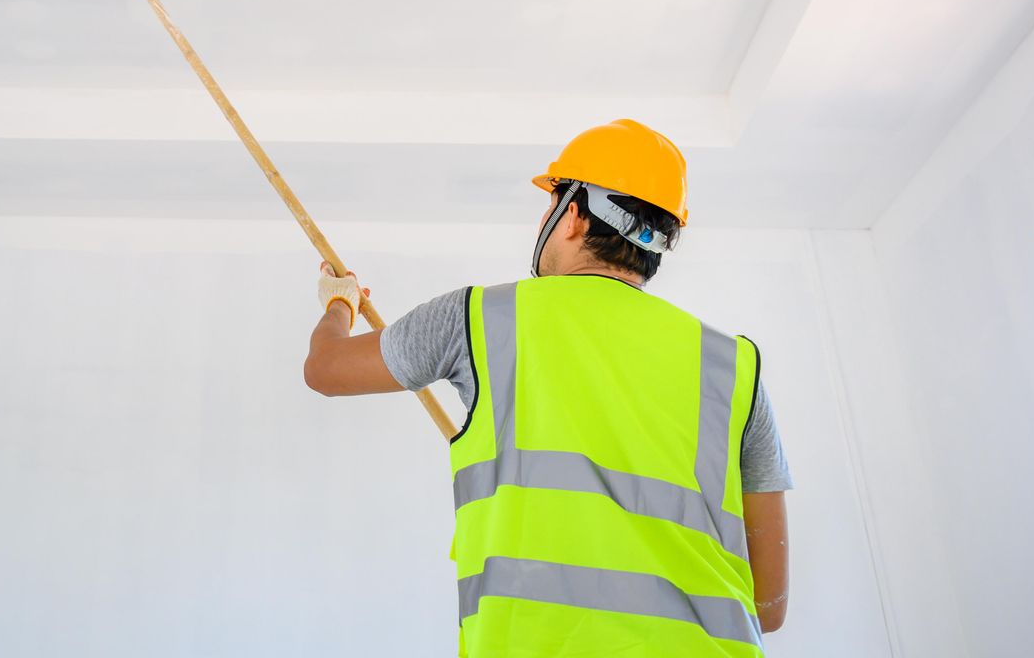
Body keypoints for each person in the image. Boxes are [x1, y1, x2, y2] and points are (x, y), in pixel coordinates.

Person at [302, 119, 790, 656]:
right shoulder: (732, 365)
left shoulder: (478, 318)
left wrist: (339, 300)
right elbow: (768, 606)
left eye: (551, 203)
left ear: (574, 215)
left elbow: (326, 369)